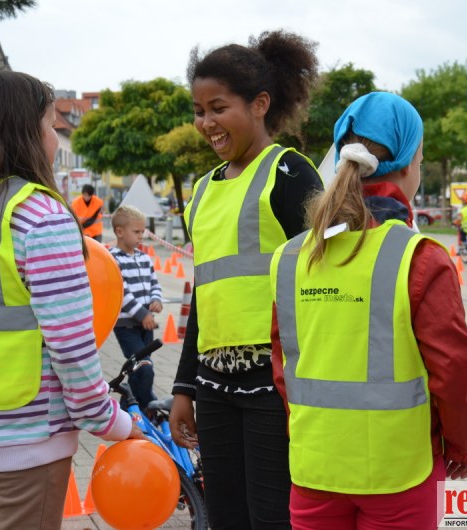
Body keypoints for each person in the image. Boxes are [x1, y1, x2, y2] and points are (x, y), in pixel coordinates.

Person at [0, 71, 143, 530]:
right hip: (25, 439)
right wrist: (112, 422)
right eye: (51, 125)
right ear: (25, 133)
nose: (56, 139)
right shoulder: (40, 216)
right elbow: (71, 346)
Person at [270, 92, 467, 530]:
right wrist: (462, 445)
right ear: (407, 166)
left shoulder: (290, 257)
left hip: (314, 467)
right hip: (400, 472)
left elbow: (283, 367)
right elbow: (454, 366)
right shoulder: (420, 257)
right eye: (421, 160)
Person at [168, 29, 324, 529]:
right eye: (199, 111)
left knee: (273, 517)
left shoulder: (290, 174)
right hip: (214, 386)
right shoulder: (202, 193)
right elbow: (206, 296)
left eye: (218, 108)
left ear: (259, 104)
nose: (206, 123)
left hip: (274, 386)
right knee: (225, 517)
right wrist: (184, 387)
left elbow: (326, 283)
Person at [110, 204, 162, 409]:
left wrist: (156, 300)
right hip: (127, 326)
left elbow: (154, 283)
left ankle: (128, 408)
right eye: (137, 232)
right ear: (120, 232)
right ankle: (149, 404)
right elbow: (120, 293)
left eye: (143, 232)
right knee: (145, 368)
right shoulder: (113, 260)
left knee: (136, 369)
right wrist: (142, 314)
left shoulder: (144, 258)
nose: (141, 236)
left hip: (146, 325)